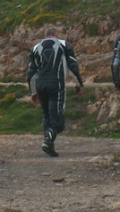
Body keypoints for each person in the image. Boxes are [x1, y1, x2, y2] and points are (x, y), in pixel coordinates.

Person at [26, 27, 84, 157]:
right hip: (56, 83)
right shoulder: (64, 45)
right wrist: (78, 84)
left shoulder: (35, 48)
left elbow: (31, 73)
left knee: (46, 114)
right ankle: (49, 140)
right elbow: (73, 65)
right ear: (56, 35)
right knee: (57, 117)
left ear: (45, 35)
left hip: (40, 84)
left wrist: (33, 92)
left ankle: (48, 142)